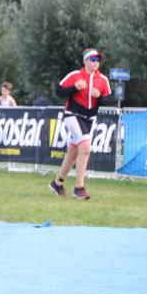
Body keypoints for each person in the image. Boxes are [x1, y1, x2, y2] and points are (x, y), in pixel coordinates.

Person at [49, 49, 112, 200]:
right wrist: (74, 88)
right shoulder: (75, 75)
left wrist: (100, 96)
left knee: (73, 152)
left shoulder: (102, 79)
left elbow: (108, 100)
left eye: (98, 59)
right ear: (85, 61)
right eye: (93, 59)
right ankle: (79, 188)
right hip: (73, 115)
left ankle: (57, 183)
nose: (96, 62)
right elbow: (58, 91)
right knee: (85, 148)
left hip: (88, 119)